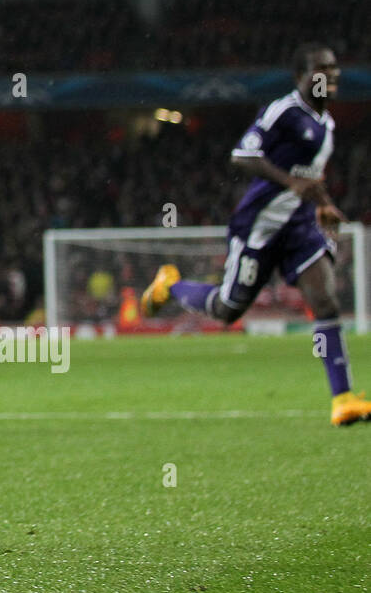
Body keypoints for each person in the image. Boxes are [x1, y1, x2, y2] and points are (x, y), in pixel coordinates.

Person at [142, 43, 371, 426]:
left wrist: (323, 204)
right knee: (227, 308)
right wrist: (288, 183)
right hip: (259, 226)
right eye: (321, 68)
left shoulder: (326, 124)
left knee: (325, 300)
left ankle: (343, 399)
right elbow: (242, 155)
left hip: (298, 227)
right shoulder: (284, 111)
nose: (331, 75)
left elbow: (308, 179)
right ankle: (172, 285)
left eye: (334, 68)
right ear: (300, 76)